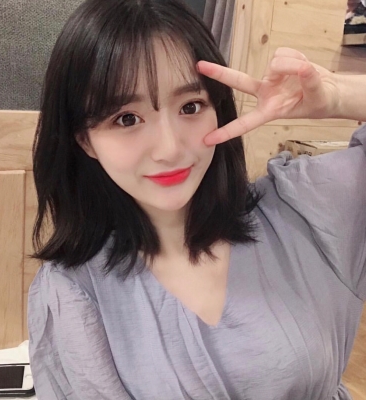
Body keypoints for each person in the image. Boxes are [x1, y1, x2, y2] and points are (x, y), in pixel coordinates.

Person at [27, 0, 366, 399]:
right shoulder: (73, 292)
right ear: (85, 140)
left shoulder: (306, 209)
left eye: (191, 106)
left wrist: (338, 96)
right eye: (126, 118)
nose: (170, 149)